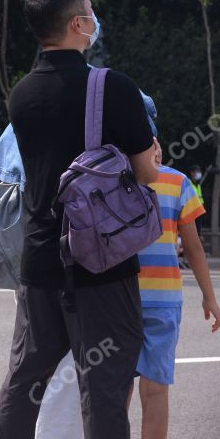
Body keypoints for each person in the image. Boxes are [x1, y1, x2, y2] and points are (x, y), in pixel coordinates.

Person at [0, 0, 159, 438]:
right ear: (78, 23)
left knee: (26, 377)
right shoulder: (114, 87)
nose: (95, 17)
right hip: (100, 261)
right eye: (90, 10)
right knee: (104, 386)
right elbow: (146, 172)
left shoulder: (21, 93)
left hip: (41, 259)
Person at [132, 143, 220, 439]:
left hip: (118, 298)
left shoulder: (108, 178)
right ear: (153, 142)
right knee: (155, 388)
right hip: (163, 298)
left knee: (114, 388)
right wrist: (209, 296)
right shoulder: (177, 181)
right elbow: (194, 248)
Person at [187, 165, 204, 236]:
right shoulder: (188, 183)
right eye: (197, 172)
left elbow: (200, 198)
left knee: (198, 229)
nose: (199, 173)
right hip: (191, 211)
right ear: (192, 173)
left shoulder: (198, 185)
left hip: (199, 210)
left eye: (199, 171)